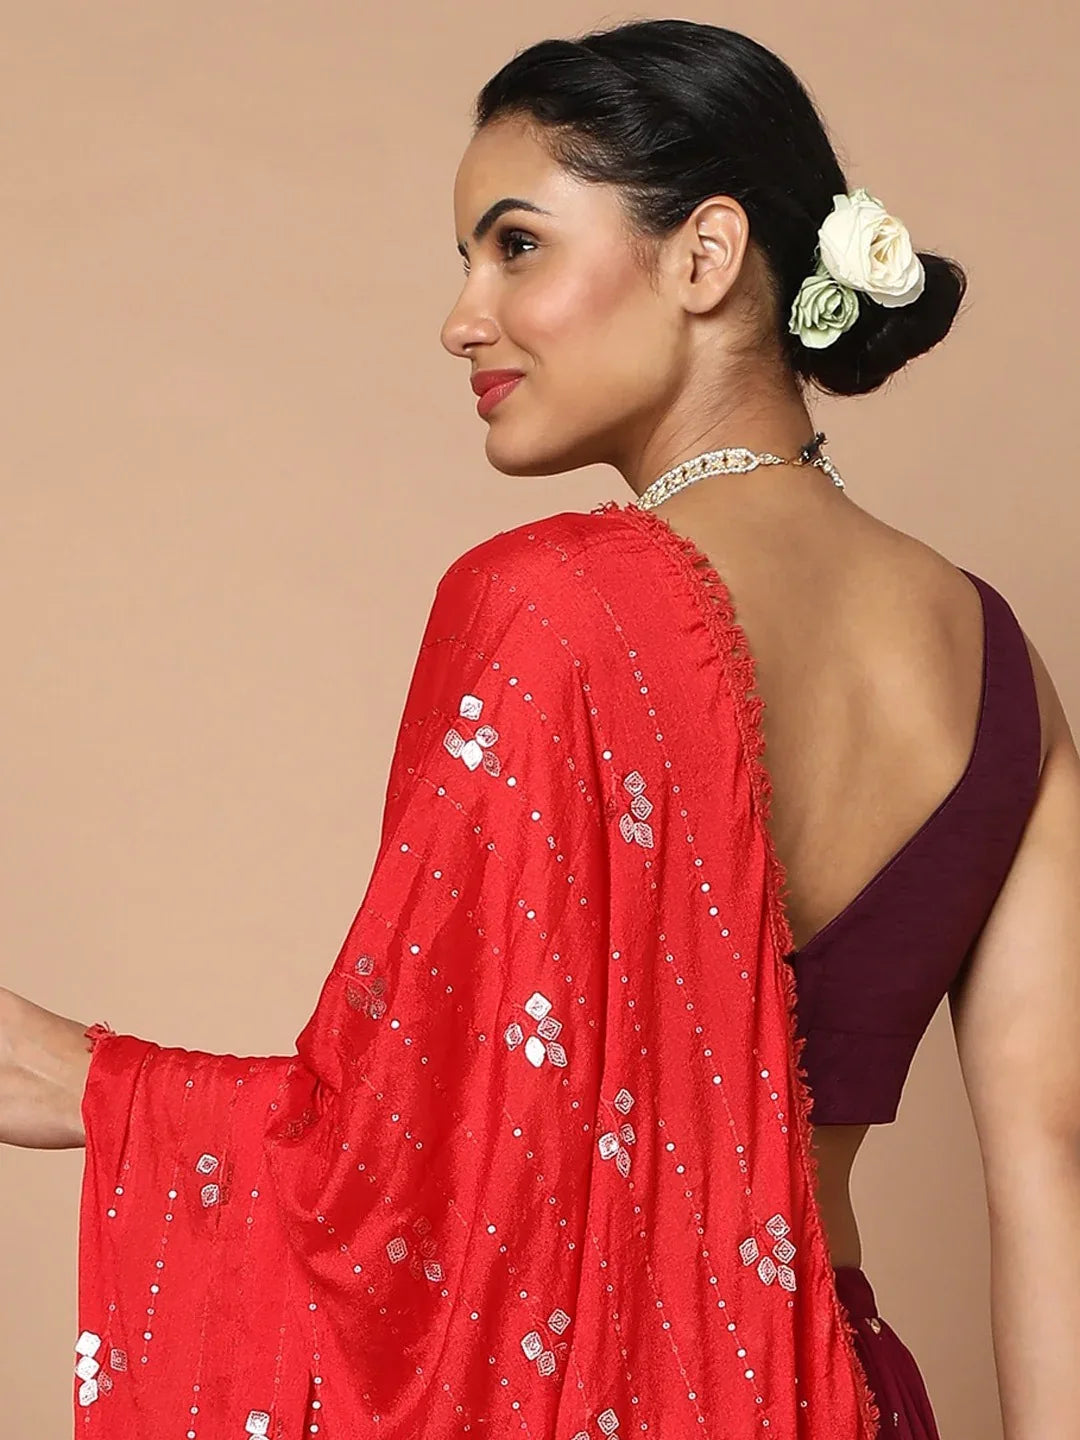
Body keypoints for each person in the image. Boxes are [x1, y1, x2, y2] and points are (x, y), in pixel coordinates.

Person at [2, 17, 1078, 1439]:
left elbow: (409, 1150)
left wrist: (104, 1085)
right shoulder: (1000, 662)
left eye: (515, 245)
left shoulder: (556, 603)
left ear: (706, 256)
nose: (462, 314)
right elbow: (1051, 1171)